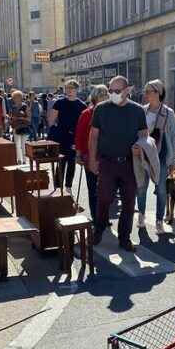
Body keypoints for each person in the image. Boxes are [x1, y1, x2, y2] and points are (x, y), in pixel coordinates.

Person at [89, 76, 148, 252]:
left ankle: (124, 238)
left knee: (129, 203)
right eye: (110, 91)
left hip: (130, 164)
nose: (113, 94)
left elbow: (144, 134)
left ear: (127, 90)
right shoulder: (101, 109)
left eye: (117, 91)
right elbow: (94, 136)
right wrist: (92, 160)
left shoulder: (137, 111)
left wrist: (141, 146)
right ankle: (98, 229)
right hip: (107, 162)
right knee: (104, 199)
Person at [137, 80, 175, 233]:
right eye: (145, 91)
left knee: (161, 189)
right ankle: (141, 215)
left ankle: (159, 220)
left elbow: (174, 138)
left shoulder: (168, 113)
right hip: (142, 154)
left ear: (158, 93)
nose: (145, 94)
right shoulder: (142, 111)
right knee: (141, 187)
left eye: (148, 91)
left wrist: (173, 160)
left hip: (160, 156)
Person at [75, 85, 108, 220]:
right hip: (90, 156)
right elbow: (80, 136)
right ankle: (96, 217)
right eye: (101, 95)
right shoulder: (86, 114)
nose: (105, 97)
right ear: (95, 97)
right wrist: (78, 155)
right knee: (93, 189)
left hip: (107, 157)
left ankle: (104, 218)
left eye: (106, 95)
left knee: (106, 190)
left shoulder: (110, 113)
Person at [50, 80, 87, 192]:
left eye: (72, 88)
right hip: (61, 136)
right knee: (60, 162)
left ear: (77, 90)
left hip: (74, 138)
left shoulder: (82, 105)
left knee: (71, 162)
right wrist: (54, 134)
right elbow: (52, 120)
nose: (69, 90)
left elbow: (83, 125)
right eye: (67, 88)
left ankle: (68, 186)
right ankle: (57, 186)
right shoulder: (59, 103)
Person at [9, 90, 31, 164]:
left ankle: (24, 160)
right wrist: (11, 119)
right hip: (16, 127)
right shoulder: (13, 107)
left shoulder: (25, 106)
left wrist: (21, 118)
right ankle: (19, 160)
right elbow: (11, 117)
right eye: (14, 97)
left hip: (24, 127)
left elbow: (29, 119)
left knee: (23, 145)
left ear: (21, 98)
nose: (16, 99)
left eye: (18, 97)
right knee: (17, 145)